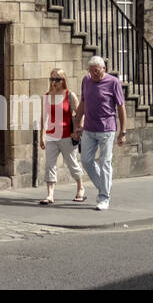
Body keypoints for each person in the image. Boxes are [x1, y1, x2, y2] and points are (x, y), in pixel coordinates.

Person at [72, 56, 125, 210]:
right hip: (89, 128)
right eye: (91, 71)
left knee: (105, 162)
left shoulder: (113, 83)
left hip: (107, 129)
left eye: (96, 71)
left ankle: (104, 197)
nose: (93, 75)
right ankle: (104, 187)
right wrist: (77, 124)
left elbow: (121, 107)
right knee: (87, 161)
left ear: (104, 69)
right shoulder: (86, 81)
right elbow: (83, 102)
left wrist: (123, 131)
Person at [38, 67, 85, 205]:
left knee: (72, 164)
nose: (54, 82)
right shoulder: (46, 96)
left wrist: (78, 130)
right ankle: (50, 194)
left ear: (63, 80)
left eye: (57, 79)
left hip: (67, 135)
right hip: (51, 136)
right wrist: (42, 135)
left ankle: (80, 187)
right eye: (52, 79)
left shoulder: (70, 95)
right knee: (50, 165)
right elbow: (44, 117)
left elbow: (80, 113)